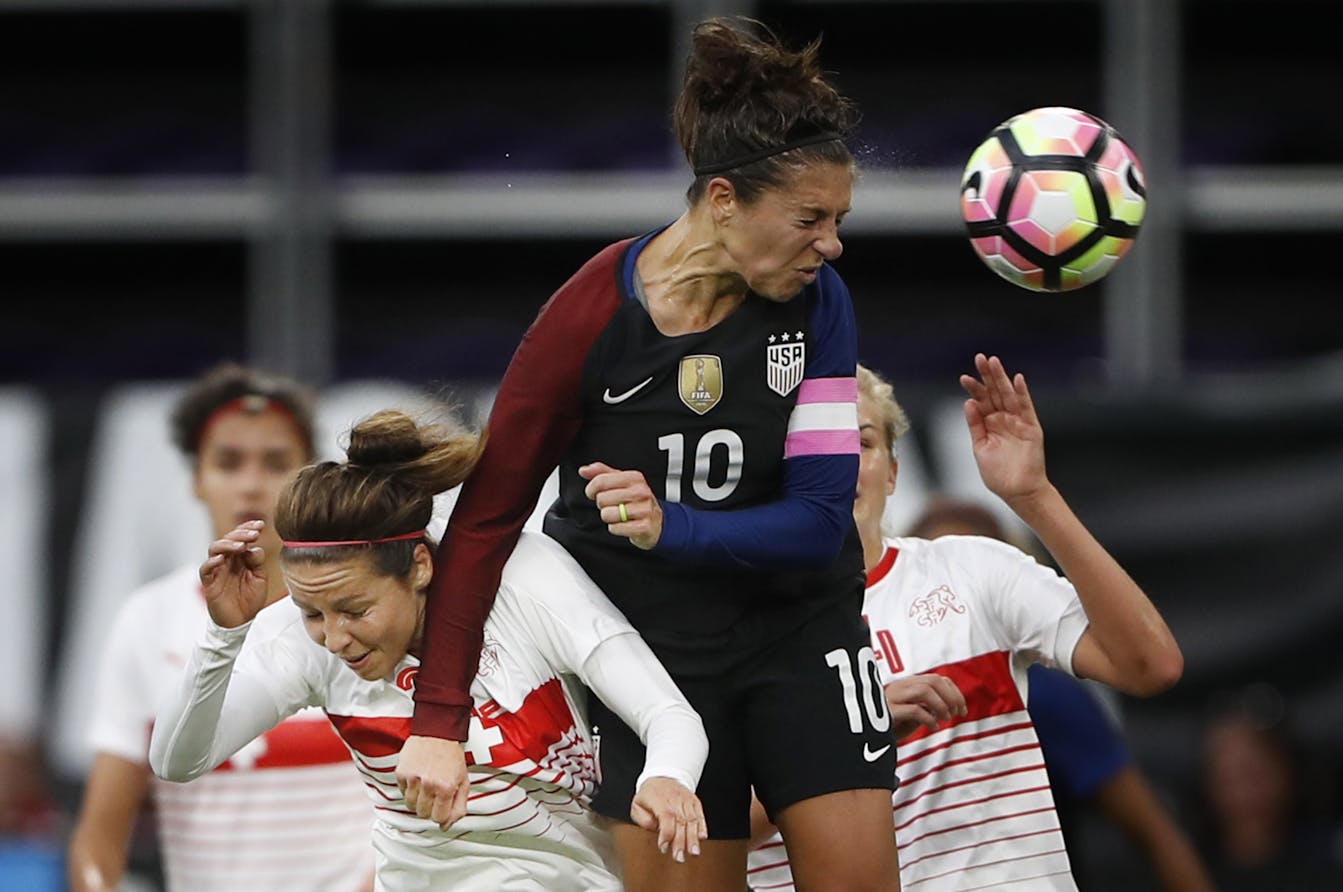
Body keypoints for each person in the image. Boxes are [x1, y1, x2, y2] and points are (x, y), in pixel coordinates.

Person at [397, 16, 898, 892]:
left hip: (802, 632)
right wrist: (436, 719)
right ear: (722, 201)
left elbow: (822, 525)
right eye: (810, 218)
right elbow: (484, 523)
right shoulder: (588, 318)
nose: (832, 244)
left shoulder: (822, 304)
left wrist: (673, 528)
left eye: (839, 219)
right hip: (649, 661)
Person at [148, 409, 710, 891]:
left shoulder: (525, 578)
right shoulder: (299, 636)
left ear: (420, 567)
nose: (335, 637)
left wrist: (667, 776)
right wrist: (224, 635)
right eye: (312, 613)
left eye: (355, 610)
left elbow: (670, 715)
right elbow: (176, 761)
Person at [748, 356, 1185, 890]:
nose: (841, 463)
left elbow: (1151, 665)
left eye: (862, 443)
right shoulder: (729, 628)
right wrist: (858, 731)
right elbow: (708, 832)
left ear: (892, 472)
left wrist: (1034, 497)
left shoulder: (972, 570)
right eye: (816, 447)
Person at [67, 363, 375, 892]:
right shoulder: (148, 619)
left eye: (276, 463)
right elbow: (99, 840)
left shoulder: (366, 612)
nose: (252, 484)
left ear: (310, 477)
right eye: (229, 462)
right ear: (196, 480)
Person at [909, 499, 1217, 892]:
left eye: (980, 569)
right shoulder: (865, 699)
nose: (959, 597)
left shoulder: (1047, 698)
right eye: (940, 586)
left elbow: (1153, 832)